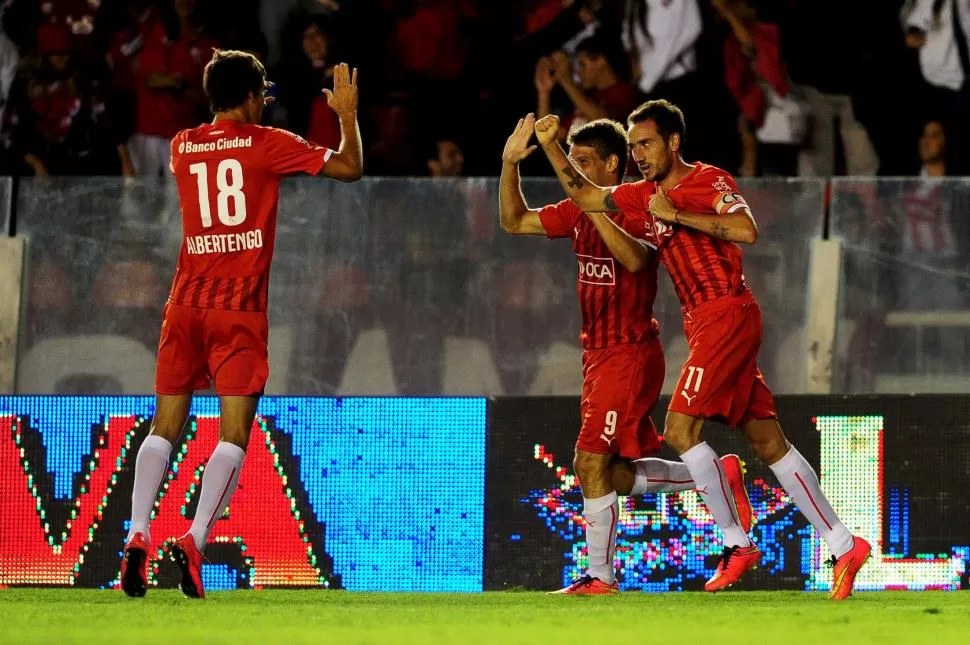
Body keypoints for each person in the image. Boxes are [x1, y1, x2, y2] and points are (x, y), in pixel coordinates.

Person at [531, 100, 870, 600]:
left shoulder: (707, 180)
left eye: (646, 143)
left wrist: (678, 214)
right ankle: (844, 544)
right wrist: (550, 147)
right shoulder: (639, 195)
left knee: (679, 428)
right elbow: (587, 195)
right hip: (703, 322)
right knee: (767, 441)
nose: (639, 154)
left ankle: (736, 541)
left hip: (727, 313)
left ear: (672, 142)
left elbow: (746, 230)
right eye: (633, 146)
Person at [119, 50, 362, 599]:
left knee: (165, 425)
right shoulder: (266, 143)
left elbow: (216, 156)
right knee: (233, 434)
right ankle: (195, 539)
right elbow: (350, 168)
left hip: (183, 304)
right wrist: (345, 114)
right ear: (254, 96)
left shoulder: (182, 146)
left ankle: (137, 534)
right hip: (238, 310)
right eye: (261, 95)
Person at [499, 114, 751, 594]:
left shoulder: (639, 204)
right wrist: (509, 164)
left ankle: (600, 578)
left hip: (630, 353)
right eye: (571, 162)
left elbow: (637, 259)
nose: (574, 171)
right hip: (596, 357)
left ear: (613, 164)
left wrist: (592, 206)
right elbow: (514, 221)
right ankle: (716, 474)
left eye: (584, 161)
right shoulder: (576, 211)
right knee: (613, 475)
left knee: (587, 463)